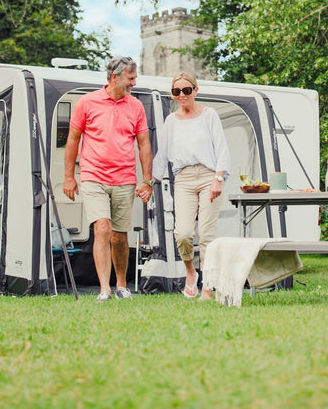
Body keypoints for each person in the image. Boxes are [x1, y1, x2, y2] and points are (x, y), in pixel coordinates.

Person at [63, 56, 154, 302]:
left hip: (124, 178)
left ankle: (121, 285)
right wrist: (69, 176)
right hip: (93, 176)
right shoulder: (87, 102)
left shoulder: (136, 106)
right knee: (102, 227)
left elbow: (144, 144)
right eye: (131, 78)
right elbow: (73, 139)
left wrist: (147, 180)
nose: (134, 83)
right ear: (115, 77)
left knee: (119, 235)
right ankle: (105, 288)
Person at [151, 71, 230, 301]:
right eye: (176, 91)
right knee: (183, 233)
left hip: (208, 176)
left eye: (186, 90)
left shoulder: (209, 115)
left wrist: (218, 178)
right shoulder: (171, 121)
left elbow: (221, 148)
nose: (182, 95)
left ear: (195, 90)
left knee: (206, 234)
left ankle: (208, 285)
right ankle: (190, 271)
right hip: (183, 178)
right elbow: (163, 153)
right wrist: (150, 181)